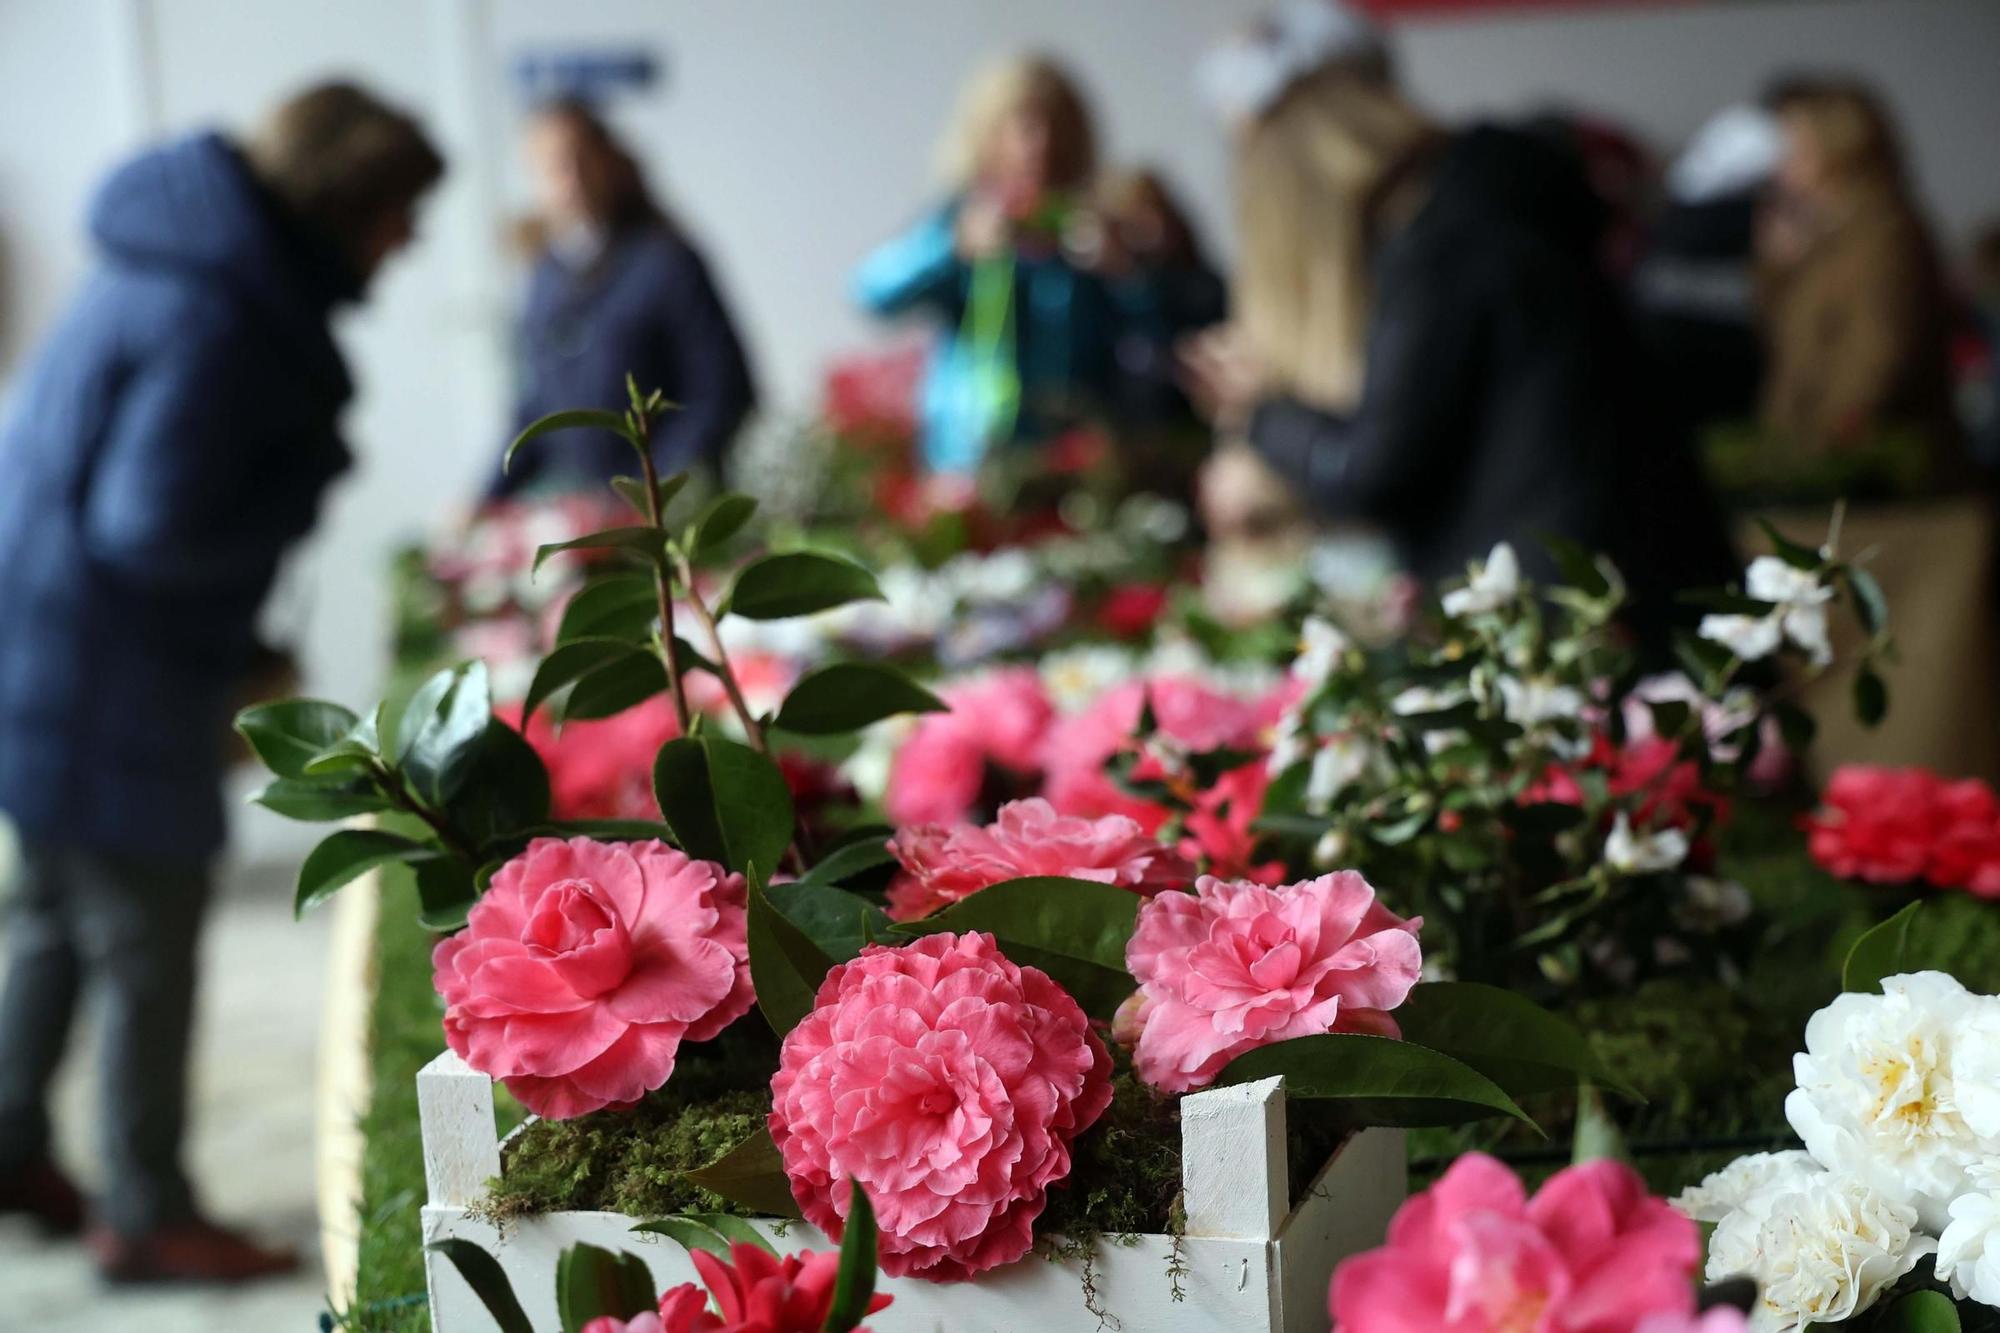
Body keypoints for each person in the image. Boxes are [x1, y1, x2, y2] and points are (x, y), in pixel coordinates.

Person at [0, 82, 442, 1282]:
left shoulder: (180, 258)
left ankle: (5, 1146)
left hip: (36, 647)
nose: (411, 242)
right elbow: (148, 526)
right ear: (347, 202)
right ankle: (147, 1216)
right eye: (404, 212)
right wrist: (290, 486)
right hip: (108, 674)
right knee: (147, 935)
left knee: (51, 914)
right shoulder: (221, 312)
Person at [1181, 15, 1732, 646]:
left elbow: (1376, 470)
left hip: (1564, 608)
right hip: (1624, 572)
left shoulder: (1443, 246)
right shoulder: (1488, 203)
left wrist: (1261, 415)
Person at [852, 54, 1119, 476]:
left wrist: (1122, 271)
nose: (1041, 143)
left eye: (1055, 125)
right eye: (1025, 125)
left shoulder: (1091, 230)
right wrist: (952, 246)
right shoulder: (960, 219)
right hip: (968, 458)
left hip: (1066, 461)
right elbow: (870, 293)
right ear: (987, 132)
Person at [493, 98, 756, 497]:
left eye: (579, 159)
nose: (570, 179)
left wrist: (652, 491)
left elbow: (722, 391)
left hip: (671, 509)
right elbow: (537, 406)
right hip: (584, 511)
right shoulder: (545, 277)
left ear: (609, 161)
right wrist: (484, 499)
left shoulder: (665, 262)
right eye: (549, 167)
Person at [1756, 77, 1960, 469]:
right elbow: (1781, 332)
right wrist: (1778, 267)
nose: (1782, 162)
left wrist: (1835, 432)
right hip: (1815, 448)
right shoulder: (1822, 231)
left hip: (1869, 463)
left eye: (1796, 147)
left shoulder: (1883, 235)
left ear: (1838, 149)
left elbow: (1880, 348)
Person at [1093, 167, 1228, 432]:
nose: (1150, 225)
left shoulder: (1203, 288)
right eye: (1135, 218)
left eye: (1155, 211)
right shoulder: (1101, 292)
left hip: (1187, 430)